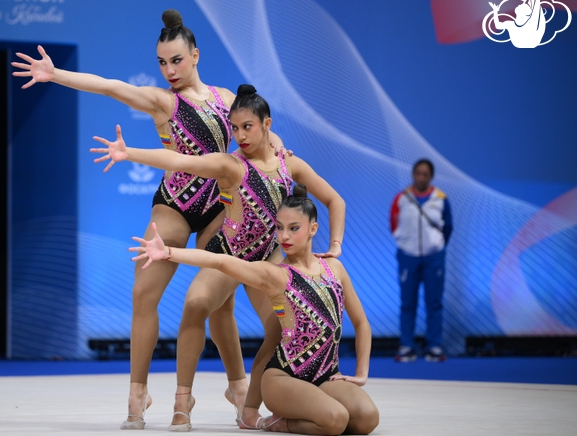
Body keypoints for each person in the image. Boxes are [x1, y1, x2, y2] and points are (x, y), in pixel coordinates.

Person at [12, 10, 285, 429]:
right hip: (174, 204)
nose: (168, 70)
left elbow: (261, 136)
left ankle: (236, 385)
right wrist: (56, 74)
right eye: (161, 62)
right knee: (144, 292)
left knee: (220, 303)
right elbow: (111, 88)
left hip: (218, 208)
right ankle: (138, 389)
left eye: (176, 60)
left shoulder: (226, 100)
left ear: (195, 55)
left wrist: (279, 157)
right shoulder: (163, 102)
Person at [92, 85, 345, 431]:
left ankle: (251, 405)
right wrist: (129, 153)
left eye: (248, 127)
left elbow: (335, 201)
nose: (239, 136)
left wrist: (335, 244)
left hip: (268, 259)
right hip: (228, 253)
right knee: (196, 303)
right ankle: (184, 401)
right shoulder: (230, 165)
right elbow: (180, 160)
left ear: (267, 124)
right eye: (235, 128)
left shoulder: (291, 164)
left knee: (278, 329)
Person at [129, 185, 378, 435]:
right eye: (279, 228)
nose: (285, 237)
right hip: (285, 379)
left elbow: (361, 324)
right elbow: (220, 260)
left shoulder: (335, 269)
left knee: (367, 419)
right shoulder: (276, 274)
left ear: (313, 228)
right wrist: (169, 252)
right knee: (335, 420)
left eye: (294, 228)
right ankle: (277, 423)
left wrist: (361, 374)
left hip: (326, 376)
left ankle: (315, 406)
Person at [390, 159, 453, 362]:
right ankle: (407, 345)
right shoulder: (402, 198)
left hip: (433, 257)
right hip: (408, 256)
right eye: (418, 173)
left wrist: (436, 245)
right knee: (407, 303)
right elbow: (393, 223)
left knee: (434, 303)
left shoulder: (441, 199)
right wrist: (403, 241)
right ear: (413, 174)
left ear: (431, 177)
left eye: (425, 174)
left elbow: (448, 227)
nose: (421, 177)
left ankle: (434, 346)